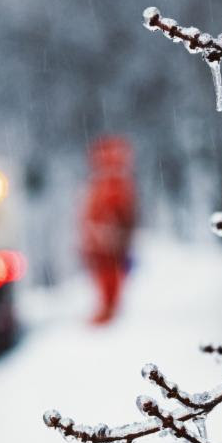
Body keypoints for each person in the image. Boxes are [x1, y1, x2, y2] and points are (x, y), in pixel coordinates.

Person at [80, 137, 136, 325]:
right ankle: (107, 307)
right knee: (106, 274)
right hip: (102, 240)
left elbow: (121, 213)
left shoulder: (113, 183)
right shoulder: (104, 182)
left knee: (109, 274)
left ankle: (109, 309)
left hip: (107, 240)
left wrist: (109, 232)